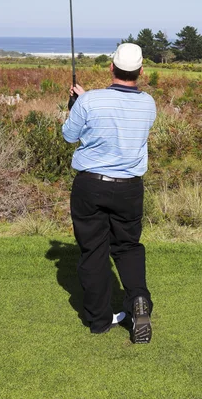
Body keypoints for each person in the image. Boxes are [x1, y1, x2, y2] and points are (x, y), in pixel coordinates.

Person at [62, 43, 156, 343]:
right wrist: (85, 101)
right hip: (129, 187)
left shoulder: (89, 101)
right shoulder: (148, 104)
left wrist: (76, 104)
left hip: (91, 184)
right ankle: (138, 300)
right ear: (141, 71)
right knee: (127, 247)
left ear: (111, 67)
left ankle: (100, 320)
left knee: (94, 251)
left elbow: (69, 135)